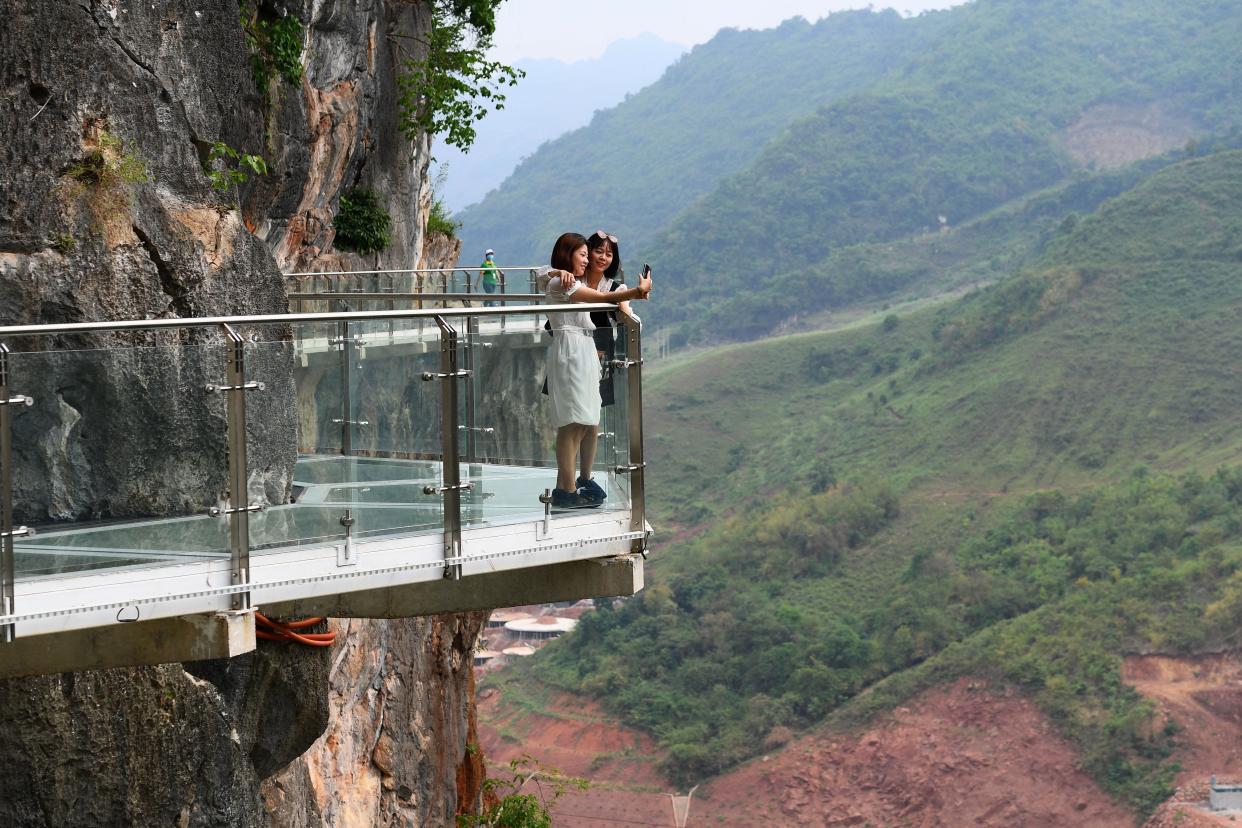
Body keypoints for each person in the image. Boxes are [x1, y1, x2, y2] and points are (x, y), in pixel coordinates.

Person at [543, 232, 652, 508]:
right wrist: (636, 293)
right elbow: (599, 297)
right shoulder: (563, 281)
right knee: (572, 423)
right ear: (572, 256)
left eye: (608, 253)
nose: (593, 258)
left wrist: (630, 298)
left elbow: (610, 302)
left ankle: (567, 486)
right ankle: (567, 491)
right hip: (571, 352)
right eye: (586, 253)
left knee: (584, 421)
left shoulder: (570, 281)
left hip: (584, 352)